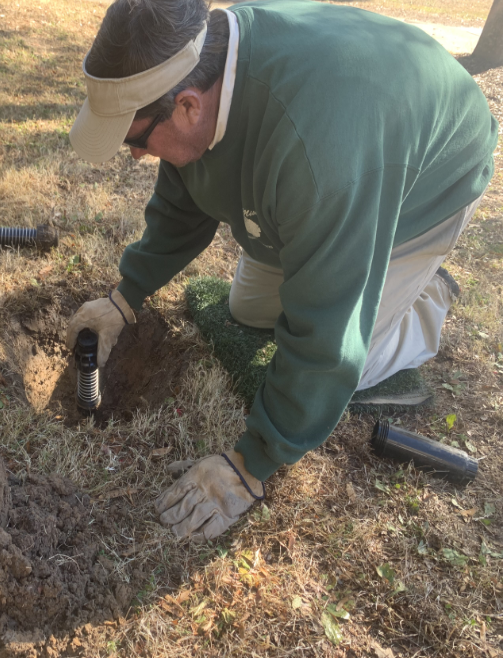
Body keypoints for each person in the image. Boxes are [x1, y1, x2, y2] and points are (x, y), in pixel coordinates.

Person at [65, 0, 498, 541]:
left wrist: (250, 465)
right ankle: (343, 261)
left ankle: (425, 297)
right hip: (342, 159)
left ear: (188, 108)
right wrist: (126, 296)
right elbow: (186, 192)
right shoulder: (206, 62)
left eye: (134, 139)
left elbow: (325, 343)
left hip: (427, 179)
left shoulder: (320, 160)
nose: (133, 156)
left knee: (343, 371)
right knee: (248, 310)